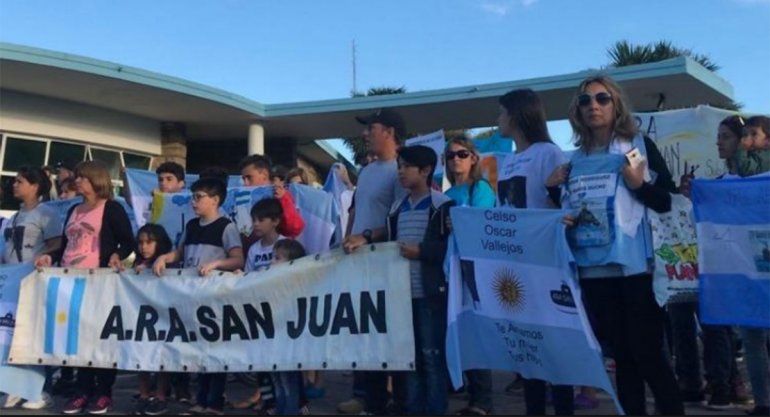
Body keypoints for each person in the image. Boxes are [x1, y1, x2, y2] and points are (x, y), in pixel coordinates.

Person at [553, 75, 683, 415]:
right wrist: (556, 194)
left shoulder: (638, 146)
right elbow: (572, 210)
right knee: (622, 358)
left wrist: (639, 185)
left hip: (636, 269)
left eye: (602, 98)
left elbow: (667, 202)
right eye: (585, 101)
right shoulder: (574, 160)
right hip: (593, 270)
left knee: (649, 356)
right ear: (577, 112)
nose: (593, 105)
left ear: (616, 105)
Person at [496, 89, 575, 415]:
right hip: (515, 265)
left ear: (516, 115)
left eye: (501, 113)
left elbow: (565, 205)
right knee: (527, 348)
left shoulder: (549, 153)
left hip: (544, 265)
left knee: (554, 350)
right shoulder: (507, 160)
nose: (497, 120)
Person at [35, 160, 136, 415]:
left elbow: (128, 241)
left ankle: (103, 391)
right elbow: (68, 243)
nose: (76, 181)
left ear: (95, 179)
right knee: (77, 338)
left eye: (81, 177)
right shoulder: (74, 210)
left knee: (99, 338)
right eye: (76, 177)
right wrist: (51, 257)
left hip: (99, 280)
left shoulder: (111, 208)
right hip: (71, 280)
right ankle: (82, 389)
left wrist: (116, 255)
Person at [152, 177, 243, 415]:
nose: (194, 202)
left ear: (215, 200)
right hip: (192, 295)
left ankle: (214, 402)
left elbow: (238, 258)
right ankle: (201, 398)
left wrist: (217, 264)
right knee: (198, 347)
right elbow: (180, 252)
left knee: (215, 348)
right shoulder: (191, 226)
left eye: (199, 197)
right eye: (193, 197)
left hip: (214, 296)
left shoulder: (227, 226)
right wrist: (164, 258)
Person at [341, 108, 408, 415]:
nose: (366, 134)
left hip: (384, 264)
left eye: (373, 127)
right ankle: (366, 395)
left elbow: (399, 221)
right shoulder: (367, 171)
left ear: (390, 132)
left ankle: (386, 398)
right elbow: (356, 210)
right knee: (361, 331)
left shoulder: (400, 171)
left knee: (385, 332)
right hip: (357, 262)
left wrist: (367, 237)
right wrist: (345, 237)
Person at [385, 145, 454, 414]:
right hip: (402, 295)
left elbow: (451, 249)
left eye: (406, 166)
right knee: (409, 358)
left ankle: (435, 409)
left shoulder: (443, 206)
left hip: (429, 294)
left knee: (431, 357)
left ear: (425, 170)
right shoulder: (396, 208)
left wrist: (422, 251)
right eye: (399, 166)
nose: (400, 172)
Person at [0, 166, 62, 410]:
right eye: (14, 181)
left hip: (32, 280)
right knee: (9, 334)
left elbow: (55, 243)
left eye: (20, 181)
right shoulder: (14, 217)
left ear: (35, 186)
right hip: (11, 281)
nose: (14, 185)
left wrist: (42, 258)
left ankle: (37, 389)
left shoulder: (46, 213)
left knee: (29, 334)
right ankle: (14, 386)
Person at [443, 135, 496, 416]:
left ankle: (482, 401)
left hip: (476, 269)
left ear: (473, 158)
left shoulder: (481, 187)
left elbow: (484, 224)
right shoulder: (447, 196)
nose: (456, 160)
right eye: (450, 156)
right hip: (452, 269)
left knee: (475, 331)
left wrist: (460, 223)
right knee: (458, 328)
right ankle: (462, 386)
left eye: (462, 154)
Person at [132, 224, 174, 415]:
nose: (144, 247)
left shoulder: (169, 265)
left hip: (163, 317)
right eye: (141, 242)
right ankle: (143, 394)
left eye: (149, 242)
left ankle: (160, 396)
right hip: (141, 318)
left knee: (162, 357)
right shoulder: (136, 266)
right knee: (141, 355)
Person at [269, 239, 308, 415]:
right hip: (274, 341)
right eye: (272, 257)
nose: (272, 262)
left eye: (277, 258)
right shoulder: (268, 280)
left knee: (287, 380)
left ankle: (290, 411)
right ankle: (281, 409)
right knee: (277, 379)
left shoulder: (295, 284)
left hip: (288, 343)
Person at [239, 155, 305, 241]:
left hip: (279, 250)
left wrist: (283, 199)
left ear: (264, 175)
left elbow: (294, 228)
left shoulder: (281, 194)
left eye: (249, 177)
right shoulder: (242, 198)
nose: (246, 183)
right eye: (243, 179)